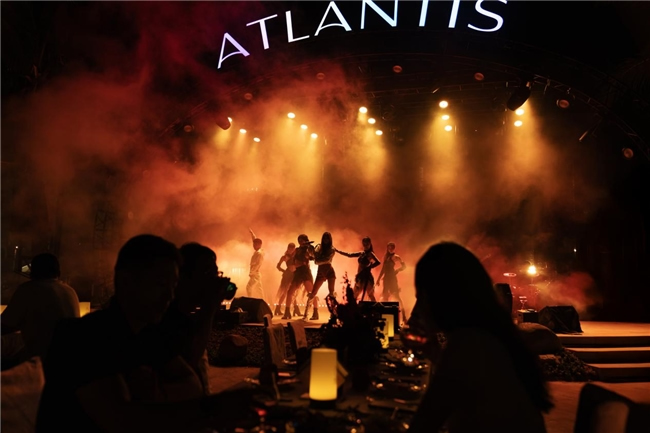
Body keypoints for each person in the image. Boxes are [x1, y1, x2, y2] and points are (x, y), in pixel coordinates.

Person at [35, 234, 255, 433]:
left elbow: (192, 384)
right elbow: (123, 421)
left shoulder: (148, 335)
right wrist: (214, 408)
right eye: (160, 284)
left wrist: (155, 393)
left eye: (173, 286)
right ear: (126, 281)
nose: (169, 296)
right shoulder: (81, 336)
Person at [407, 242, 552, 433]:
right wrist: (437, 356)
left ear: (438, 297)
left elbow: (423, 424)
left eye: (421, 296)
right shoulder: (493, 334)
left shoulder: (467, 345)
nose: (418, 308)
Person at [160, 242, 234, 395]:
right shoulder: (161, 321)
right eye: (207, 273)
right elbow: (190, 362)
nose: (214, 280)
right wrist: (210, 307)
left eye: (216, 274)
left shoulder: (185, 319)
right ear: (183, 276)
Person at [1, 253, 80, 367]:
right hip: (70, 361)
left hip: (42, 364)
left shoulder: (29, 290)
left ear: (33, 271)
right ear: (58, 272)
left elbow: (6, 325)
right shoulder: (70, 291)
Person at [303, 232, 337, 321]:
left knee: (331, 293)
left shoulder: (332, 249)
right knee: (313, 293)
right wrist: (310, 249)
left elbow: (323, 260)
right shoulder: (319, 247)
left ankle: (333, 314)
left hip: (329, 270)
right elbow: (313, 256)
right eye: (324, 238)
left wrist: (315, 256)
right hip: (321, 271)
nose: (325, 240)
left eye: (327, 238)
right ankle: (305, 315)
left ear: (330, 239)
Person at [336, 236, 381, 302]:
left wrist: (370, 267)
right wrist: (338, 251)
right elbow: (350, 255)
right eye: (364, 244)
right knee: (354, 295)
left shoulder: (370, 254)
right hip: (360, 276)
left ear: (370, 244)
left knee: (370, 295)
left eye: (367, 244)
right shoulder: (361, 253)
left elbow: (378, 262)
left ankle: (375, 308)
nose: (365, 246)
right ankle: (354, 307)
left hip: (366, 277)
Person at [281, 234, 315, 320]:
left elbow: (312, 258)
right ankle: (287, 312)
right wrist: (292, 264)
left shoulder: (308, 249)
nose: (300, 242)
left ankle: (315, 312)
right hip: (298, 273)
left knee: (311, 293)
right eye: (299, 240)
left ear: (305, 240)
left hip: (305, 273)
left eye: (302, 240)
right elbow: (293, 259)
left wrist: (309, 249)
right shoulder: (297, 250)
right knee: (290, 292)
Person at [376, 242, 408, 323]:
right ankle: (385, 316)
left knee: (397, 296)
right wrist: (378, 279)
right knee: (385, 296)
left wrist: (397, 270)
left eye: (392, 248)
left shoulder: (396, 257)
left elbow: (404, 266)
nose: (390, 249)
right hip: (386, 279)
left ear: (394, 248)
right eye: (389, 248)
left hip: (392, 279)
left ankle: (404, 316)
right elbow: (383, 269)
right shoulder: (386, 256)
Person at [273, 242, 300, 316]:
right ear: (288, 248)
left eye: (292, 248)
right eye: (290, 248)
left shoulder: (296, 256)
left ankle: (294, 309)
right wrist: (284, 271)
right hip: (288, 276)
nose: (291, 250)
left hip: (294, 275)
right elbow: (278, 266)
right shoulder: (284, 257)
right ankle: (280, 308)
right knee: (287, 292)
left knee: (292, 292)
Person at [245, 228, 265, 301]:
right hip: (256, 273)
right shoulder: (258, 251)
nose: (253, 245)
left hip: (255, 274)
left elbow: (258, 264)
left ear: (259, 245)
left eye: (255, 244)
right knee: (259, 290)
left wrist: (252, 272)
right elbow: (255, 239)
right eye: (253, 244)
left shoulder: (259, 253)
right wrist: (252, 234)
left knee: (249, 287)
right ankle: (263, 302)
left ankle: (250, 301)